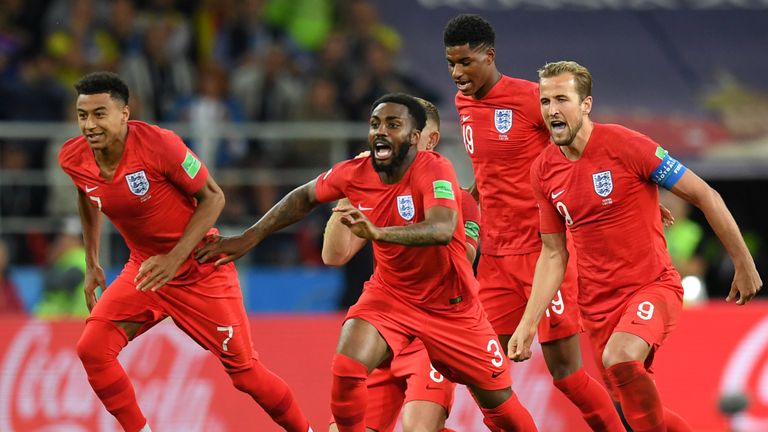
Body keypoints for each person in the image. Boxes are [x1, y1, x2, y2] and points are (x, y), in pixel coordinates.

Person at [197, 93, 537, 432]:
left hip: (450, 310)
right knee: (346, 365)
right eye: (375, 124)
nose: (380, 132)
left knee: (499, 409)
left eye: (393, 124)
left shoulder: (436, 171)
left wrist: (379, 232)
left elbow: (443, 229)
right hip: (391, 299)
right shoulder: (357, 174)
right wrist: (251, 235)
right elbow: (304, 198)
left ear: (416, 138)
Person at [509, 60, 763, 432]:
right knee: (642, 414)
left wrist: (744, 263)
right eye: (545, 101)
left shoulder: (627, 145)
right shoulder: (543, 170)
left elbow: (705, 195)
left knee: (621, 357)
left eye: (561, 99)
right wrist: (527, 324)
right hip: (596, 309)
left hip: (652, 287)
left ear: (586, 104)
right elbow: (553, 252)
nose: (551, 110)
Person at [58, 71, 311, 432]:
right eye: (83, 115)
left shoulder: (160, 144)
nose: (89, 125)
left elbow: (214, 197)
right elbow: (87, 196)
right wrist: (92, 261)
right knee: (93, 350)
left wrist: (175, 259)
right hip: (146, 269)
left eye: (100, 114)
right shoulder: (73, 157)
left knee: (246, 375)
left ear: (124, 114)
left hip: (199, 268)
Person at [443, 14, 623, 430]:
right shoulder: (463, 101)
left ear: (489, 56)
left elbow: (588, 140)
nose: (457, 73)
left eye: (466, 62)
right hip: (494, 258)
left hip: (544, 252)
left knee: (567, 374)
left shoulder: (532, 99)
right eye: (451, 63)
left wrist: (625, 186)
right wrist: (464, 203)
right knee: (486, 375)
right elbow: (490, 172)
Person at [324, 98, 477, 432]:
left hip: (432, 332)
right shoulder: (378, 191)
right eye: (383, 127)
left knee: (418, 427)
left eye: (398, 128)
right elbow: (334, 256)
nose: (388, 138)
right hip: (385, 325)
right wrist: (349, 191)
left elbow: (463, 259)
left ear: (426, 139)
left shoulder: (459, 200)